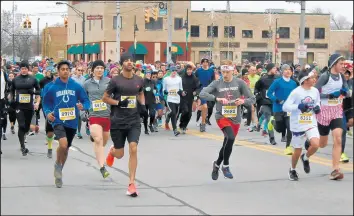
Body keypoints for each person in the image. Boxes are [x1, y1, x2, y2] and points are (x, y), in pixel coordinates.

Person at [199, 64, 256, 180]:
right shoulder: (217, 83)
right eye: (222, 72)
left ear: (233, 71)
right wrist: (217, 98)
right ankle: (225, 165)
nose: (224, 75)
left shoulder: (240, 83)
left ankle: (216, 164)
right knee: (229, 138)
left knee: (227, 142)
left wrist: (242, 101)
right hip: (222, 116)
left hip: (235, 117)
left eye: (227, 72)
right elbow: (202, 93)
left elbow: (252, 98)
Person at [102, 53, 146, 197]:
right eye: (126, 60)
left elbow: (140, 93)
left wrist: (143, 105)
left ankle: (131, 183)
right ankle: (113, 151)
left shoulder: (139, 80)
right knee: (120, 154)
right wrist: (119, 103)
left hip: (133, 120)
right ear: (121, 64)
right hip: (118, 121)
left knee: (133, 148)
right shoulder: (115, 81)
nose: (129, 62)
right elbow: (105, 98)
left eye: (131, 61)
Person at [42, 60, 90, 188]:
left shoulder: (76, 86)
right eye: (62, 69)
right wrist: (47, 113)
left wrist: (83, 106)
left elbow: (86, 101)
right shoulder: (52, 87)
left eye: (67, 69)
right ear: (58, 71)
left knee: (66, 148)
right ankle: (58, 164)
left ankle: (59, 170)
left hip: (72, 122)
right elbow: (45, 103)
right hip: (57, 120)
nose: (65, 71)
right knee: (62, 145)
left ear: (70, 71)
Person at [314, 54, 350, 180]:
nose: (343, 66)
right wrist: (329, 96)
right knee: (322, 144)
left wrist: (345, 92)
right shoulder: (325, 76)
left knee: (338, 138)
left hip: (336, 112)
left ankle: (335, 169)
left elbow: (347, 91)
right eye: (341, 63)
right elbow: (314, 93)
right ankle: (310, 144)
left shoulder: (341, 76)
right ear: (334, 64)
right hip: (323, 112)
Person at [282, 71, 321, 181]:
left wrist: (318, 107)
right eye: (312, 78)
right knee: (297, 151)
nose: (314, 79)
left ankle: (306, 157)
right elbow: (285, 107)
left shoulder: (315, 91)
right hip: (297, 124)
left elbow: (317, 102)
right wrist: (298, 106)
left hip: (310, 122)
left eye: (315, 77)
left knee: (316, 144)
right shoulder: (296, 92)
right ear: (305, 80)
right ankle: (293, 169)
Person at [83, 60, 111, 178]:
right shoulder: (87, 83)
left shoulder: (109, 82)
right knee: (98, 140)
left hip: (107, 115)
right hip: (94, 115)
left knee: (103, 142)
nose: (99, 70)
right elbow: (83, 99)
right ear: (93, 70)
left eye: (101, 68)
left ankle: (94, 137)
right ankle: (102, 167)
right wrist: (83, 110)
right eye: (97, 68)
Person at [8, 61, 41, 156]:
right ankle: (23, 147)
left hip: (29, 106)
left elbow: (38, 90)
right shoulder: (16, 79)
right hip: (19, 106)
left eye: (25, 68)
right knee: (21, 125)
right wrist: (12, 99)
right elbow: (11, 90)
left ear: (28, 69)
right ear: (20, 69)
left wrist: (36, 98)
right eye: (22, 68)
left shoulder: (33, 79)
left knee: (26, 127)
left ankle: (24, 138)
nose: (24, 70)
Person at [267, 64, 298, 155]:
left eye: (290, 70)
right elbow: (269, 93)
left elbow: (297, 95)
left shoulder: (293, 83)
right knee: (280, 128)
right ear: (282, 71)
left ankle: (288, 147)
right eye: (286, 70)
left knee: (289, 127)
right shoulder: (277, 82)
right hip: (278, 108)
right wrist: (276, 99)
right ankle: (272, 122)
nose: (288, 71)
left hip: (289, 109)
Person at [39, 67, 58, 158]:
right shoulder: (48, 86)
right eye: (56, 75)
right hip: (51, 111)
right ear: (53, 76)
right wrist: (47, 111)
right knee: (50, 132)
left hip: (63, 112)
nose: (58, 77)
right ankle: (50, 147)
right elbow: (44, 100)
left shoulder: (68, 85)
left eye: (59, 75)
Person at [163, 66, 185, 136]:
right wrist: (165, 92)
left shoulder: (179, 79)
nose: (174, 72)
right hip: (169, 98)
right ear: (170, 71)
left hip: (177, 99)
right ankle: (175, 130)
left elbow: (181, 88)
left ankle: (167, 116)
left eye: (175, 71)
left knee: (175, 114)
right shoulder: (166, 79)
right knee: (173, 112)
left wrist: (182, 93)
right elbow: (164, 89)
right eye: (173, 71)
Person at [179, 64, 200, 133]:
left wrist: (195, 92)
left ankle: (184, 126)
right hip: (183, 97)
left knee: (189, 114)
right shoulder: (181, 78)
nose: (189, 71)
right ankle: (181, 123)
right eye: (188, 70)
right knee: (185, 111)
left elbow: (198, 88)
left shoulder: (194, 78)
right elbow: (178, 87)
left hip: (190, 97)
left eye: (190, 70)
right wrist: (181, 92)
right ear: (186, 70)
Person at [195, 58, 215, 132]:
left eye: (207, 62)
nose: (205, 63)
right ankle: (203, 123)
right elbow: (195, 80)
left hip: (209, 91)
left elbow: (213, 81)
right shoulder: (198, 71)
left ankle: (202, 121)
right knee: (204, 106)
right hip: (201, 90)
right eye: (204, 62)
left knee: (207, 108)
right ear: (201, 63)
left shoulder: (211, 71)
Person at [141, 70, 158, 134]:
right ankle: (146, 129)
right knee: (145, 115)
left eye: (149, 73)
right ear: (145, 74)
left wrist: (155, 91)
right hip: (145, 100)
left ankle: (150, 124)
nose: (148, 74)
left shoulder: (153, 81)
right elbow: (139, 89)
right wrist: (144, 89)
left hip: (152, 100)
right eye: (147, 73)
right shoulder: (142, 81)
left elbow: (156, 88)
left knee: (152, 114)